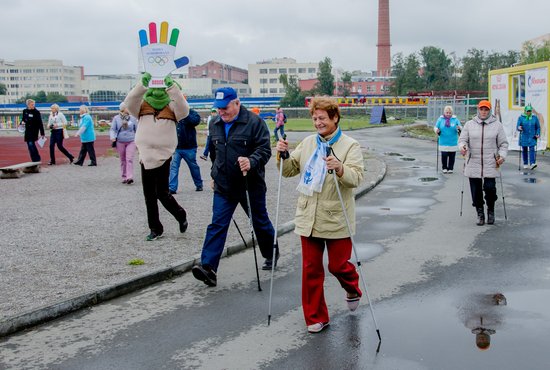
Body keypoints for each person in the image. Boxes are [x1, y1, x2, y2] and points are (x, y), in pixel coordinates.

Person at [275, 96, 364, 333]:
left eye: (322, 118)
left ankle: (353, 287)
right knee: (311, 268)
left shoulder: (350, 145)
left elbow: (356, 178)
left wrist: (341, 168)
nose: (318, 122)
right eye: (315, 118)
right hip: (308, 216)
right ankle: (316, 317)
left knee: (337, 266)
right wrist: (283, 155)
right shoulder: (307, 143)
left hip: (336, 216)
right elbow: (290, 170)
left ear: (334, 118)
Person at [191, 87, 278, 287]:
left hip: (250, 184)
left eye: (225, 107)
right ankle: (208, 268)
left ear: (237, 103)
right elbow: (215, 153)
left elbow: (264, 150)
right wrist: (214, 175)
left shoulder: (255, 122)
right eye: (218, 108)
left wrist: (251, 160)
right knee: (217, 224)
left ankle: (271, 253)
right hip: (224, 185)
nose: (221, 112)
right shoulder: (214, 124)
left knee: (259, 221)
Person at [124, 73, 190, 241]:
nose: (157, 92)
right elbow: (130, 102)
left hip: (164, 154)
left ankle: (180, 214)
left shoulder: (172, 104)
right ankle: (155, 228)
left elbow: (184, 109)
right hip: (145, 154)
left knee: (162, 192)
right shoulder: (142, 105)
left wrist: (172, 87)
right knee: (149, 194)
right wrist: (142, 84)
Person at [459, 100, 508, 226]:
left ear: (489, 111)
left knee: (490, 188)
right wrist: (462, 147)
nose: (484, 112)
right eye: (482, 109)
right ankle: (480, 213)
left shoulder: (497, 125)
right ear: (478, 110)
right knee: (476, 190)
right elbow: (462, 139)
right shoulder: (469, 124)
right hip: (473, 161)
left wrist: (502, 156)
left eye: (486, 109)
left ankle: (490, 210)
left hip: (491, 162)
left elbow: (503, 144)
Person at [169, 108, 204, 193]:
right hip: (177, 147)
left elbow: (195, 121)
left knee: (193, 167)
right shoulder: (173, 112)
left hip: (189, 147)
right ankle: (172, 188)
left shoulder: (191, 112)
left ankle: (199, 184)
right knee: (174, 167)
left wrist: (185, 113)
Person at [110, 103, 138, 184]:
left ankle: (129, 177)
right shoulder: (116, 118)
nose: (129, 109)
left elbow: (137, 129)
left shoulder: (132, 118)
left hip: (131, 141)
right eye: (128, 108)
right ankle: (124, 176)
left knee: (129, 159)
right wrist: (112, 137)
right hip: (120, 141)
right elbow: (112, 129)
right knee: (123, 160)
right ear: (123, 109)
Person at [434, 105, 461, 173]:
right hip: (443, 141)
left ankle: (451, 168)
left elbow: (460, 127)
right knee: (444, 155)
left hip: (453, 141)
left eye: (450, 113)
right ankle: (444, 168)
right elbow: (435, 127)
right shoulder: (440, 119)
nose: (448, 114)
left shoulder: (455, 119)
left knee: (452, 156)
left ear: (452, 113)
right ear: (444, 112)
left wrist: (459, 128)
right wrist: (437, 130)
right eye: (447, 112)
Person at [516, 104, 541, 170]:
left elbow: (538, 127)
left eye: (530, 111)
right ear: (525, 111)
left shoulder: (534, 118)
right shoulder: (521, 117)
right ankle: (525, 163)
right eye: (527, 111)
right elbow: (518, 126)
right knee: (524, 150)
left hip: (532, 136)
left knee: (532, 149)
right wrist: (519, 127)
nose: (529, 112)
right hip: (524, 136)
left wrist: (537, 133)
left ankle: (532, 163)